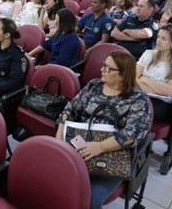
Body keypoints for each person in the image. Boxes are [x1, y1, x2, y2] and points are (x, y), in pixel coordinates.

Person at [55, 50, 152, 209]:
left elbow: (131, 134)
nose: (102, 70)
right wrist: (60, 136)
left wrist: (99, 147)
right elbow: (70, 109)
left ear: (123, 75)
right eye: (103, 65)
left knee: (89, 200)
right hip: (81, 147)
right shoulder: (94, 85)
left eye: (109, 68)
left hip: (110, 159)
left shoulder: (138, 100)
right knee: (50, 182)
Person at [136, 23, 172, 119]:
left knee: (140, 109)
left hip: (161, 102)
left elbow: (170, 90)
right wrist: (161, 87)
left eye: (164, 38)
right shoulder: (148, 54)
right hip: (140, 95)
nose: (158, 41)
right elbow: (134, 77)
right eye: (158, 37)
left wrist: (144, 79)